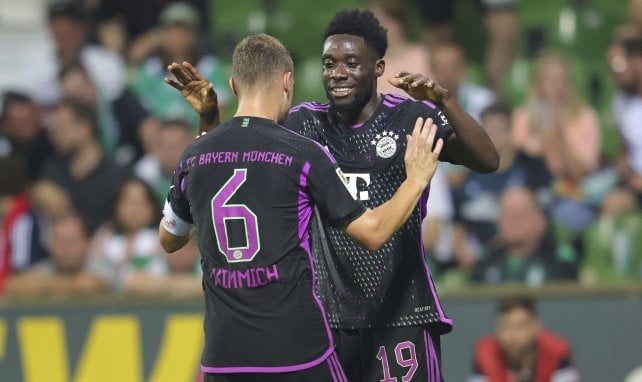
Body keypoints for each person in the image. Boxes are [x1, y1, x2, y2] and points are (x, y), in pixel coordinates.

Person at [174, 9, 499, 381]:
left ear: (378, 68)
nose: (337, 73)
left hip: (401, 313)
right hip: (327, 317)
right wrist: (211, 120)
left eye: (350, 63)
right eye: (329, 63)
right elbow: (238, 152)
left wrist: (445, 102)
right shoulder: (302, 124)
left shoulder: (410, 119)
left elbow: (487, 160)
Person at [471, 186, 577, 286]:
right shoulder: (485, 261)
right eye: (508, 213)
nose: (514, 220)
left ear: (541, 220)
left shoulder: (559, 263)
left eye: (522, 213)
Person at [468, 295, 581, 382]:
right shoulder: (485, 354)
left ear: (536, 326)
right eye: (504, 327)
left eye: (519, 327)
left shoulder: (556, 352)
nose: (511, 336)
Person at [5, 213, 106, 298]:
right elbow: (11, 286)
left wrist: (44, 286)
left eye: (71, 241)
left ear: (86, 242)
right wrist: (69, 286)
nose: (66, 249)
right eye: (60, 242)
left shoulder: (100, 266)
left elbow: (91, 285)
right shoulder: (46, 268)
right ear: (50, 245)